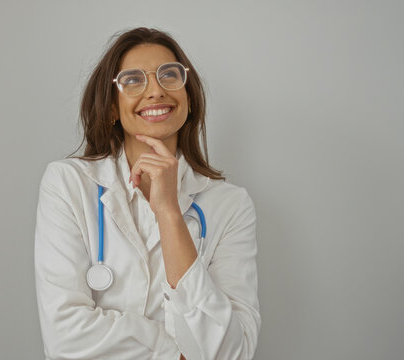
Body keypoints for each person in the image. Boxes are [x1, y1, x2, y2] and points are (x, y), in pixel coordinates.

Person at [34, 27, 260, 360]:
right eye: (133, 80)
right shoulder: (68, 184)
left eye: (170, 76)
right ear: (112, 108)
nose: (155, 91)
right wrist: (175, 352)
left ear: (189, 100)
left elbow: (231, 352)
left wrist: (169, 212)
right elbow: (65, 339)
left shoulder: (230, 205)